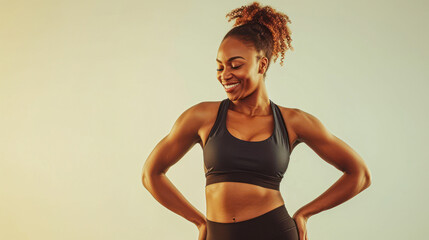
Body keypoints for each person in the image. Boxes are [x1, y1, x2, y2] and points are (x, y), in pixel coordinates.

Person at [142, 2, 372, 240]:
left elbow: (360, 174)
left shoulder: (293, 122)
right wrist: (199, 222)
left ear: (262, 65)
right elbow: (151, 173)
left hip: (274, 232)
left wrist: (305, 213)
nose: (225, 75)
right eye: (220, 67)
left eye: (236, 65)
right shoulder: (201, 117)